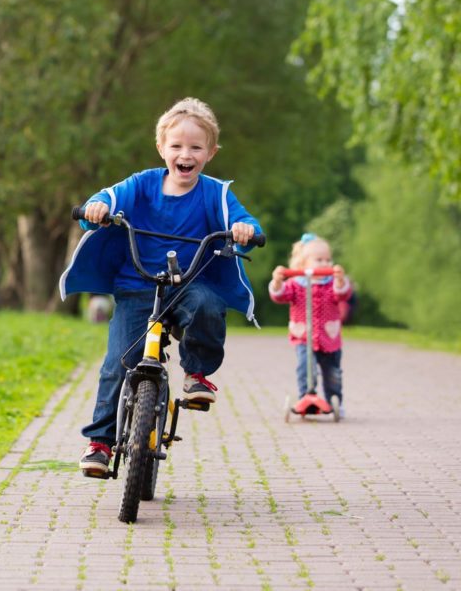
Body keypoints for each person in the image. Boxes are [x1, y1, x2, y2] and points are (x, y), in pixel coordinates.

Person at [59, 97, 262, 477]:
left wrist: (245, 230)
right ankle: (100, 443)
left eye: (196, 147)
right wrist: (96, 209)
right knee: (117, 362)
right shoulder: (142, 184)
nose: (186, 154)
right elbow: (108, 197)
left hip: (188, 286)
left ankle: (197, 374)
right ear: (161, 148)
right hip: (137, 286)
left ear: (211, 153)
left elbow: (243, 220)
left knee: (208, 305)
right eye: (177, 146)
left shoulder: (214, 193)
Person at [268, 233, 352, 412]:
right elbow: (279, 295)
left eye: (328, 260)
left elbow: (342, 294)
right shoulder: (295, 284)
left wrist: (340, 279)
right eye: (319, 260)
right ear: (303, 263)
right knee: (305, 368)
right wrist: (277, 282)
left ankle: (335, 400)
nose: (325, 264)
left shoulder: (331, 284)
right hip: (304, 337)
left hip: (329, 339)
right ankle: (307, 397)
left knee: (333, 374)